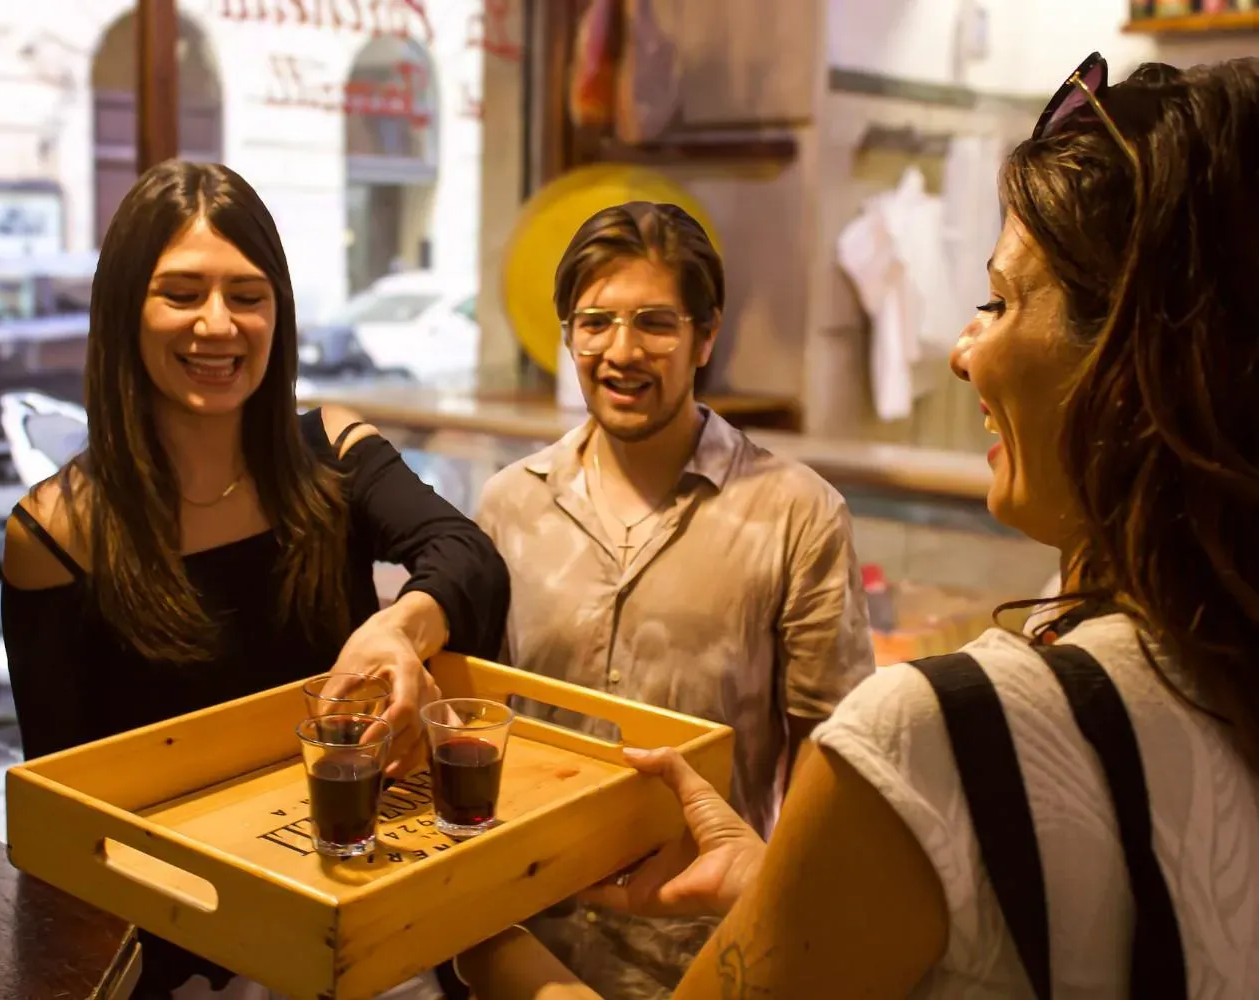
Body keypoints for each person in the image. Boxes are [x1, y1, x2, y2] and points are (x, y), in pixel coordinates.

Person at [456, 56, 1259, 999]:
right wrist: (782, 886)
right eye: (593, 323)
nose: (962, 350)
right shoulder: (509, 500)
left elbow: (835, 734)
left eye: (998, 301)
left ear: (1133, 365)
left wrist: (484, 944)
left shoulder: (932, 722)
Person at [1, 160, 509, 999]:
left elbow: (466, 555)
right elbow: (64, 820)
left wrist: (397, 628)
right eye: (182, 293)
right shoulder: (58, 533)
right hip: (184, 936)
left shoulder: (331, 454)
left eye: (247, 295)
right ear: (125, 310)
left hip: (363, 893)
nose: (218, 325)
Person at [474, 201, 875, 997]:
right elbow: (479, 727)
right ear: (568, 335)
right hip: (529, 950)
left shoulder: (795, 511)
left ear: (705, 337)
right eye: (596, 322)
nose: (622, 352)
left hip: (706, 956)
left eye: (656, 323)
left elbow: (835, 760)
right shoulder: (506, 506)